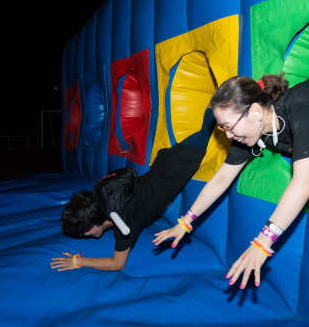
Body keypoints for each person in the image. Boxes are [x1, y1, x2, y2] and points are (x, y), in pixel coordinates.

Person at [153, 60, 309, 289]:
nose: (228, 136)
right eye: (222, 128)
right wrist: (185, 222)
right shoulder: (251, 131)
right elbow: (222, 178)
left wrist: (263, 242)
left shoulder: (303, 110)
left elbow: (304, 182)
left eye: (229, 127)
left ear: (255, 112)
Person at [51, 108, 216, 271]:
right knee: (209, 127)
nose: (85, 236)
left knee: (210, 127)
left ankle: (220, 97)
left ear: (94, 222)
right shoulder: (101, 195)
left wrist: (79, 261)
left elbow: (117, 264)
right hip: (166, 164)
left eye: (84, 232)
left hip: (180, 162)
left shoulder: (124, 218)